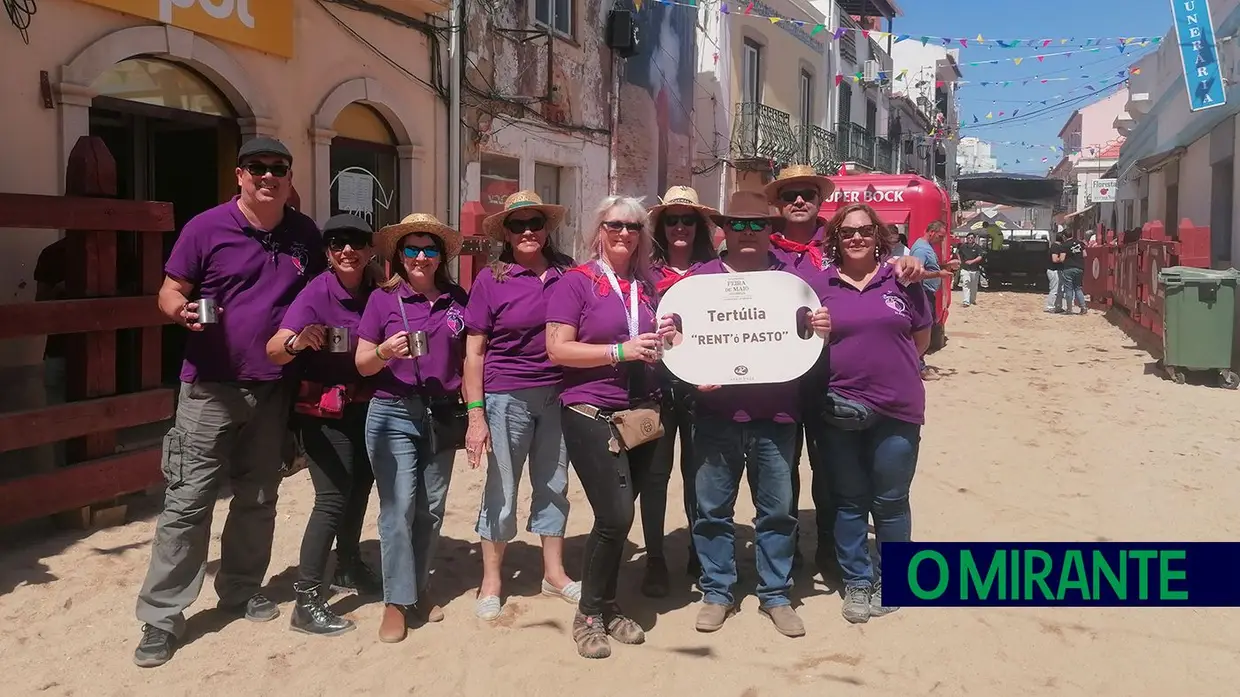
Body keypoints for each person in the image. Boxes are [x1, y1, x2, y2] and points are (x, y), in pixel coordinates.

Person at [133, 137, 325, 668]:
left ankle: (239, 590)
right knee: (187, 501)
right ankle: (161, 617)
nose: (268, 177)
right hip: (209, 386)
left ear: (289, 177)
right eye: (258, 168)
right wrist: (183, 313)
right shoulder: (206, 227)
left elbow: (319, 298)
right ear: (240, 175)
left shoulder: (304, 235)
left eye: (278, 169)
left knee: (258, 497)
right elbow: (169, 290)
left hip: (273, 388)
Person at [684, 190, 831, 639]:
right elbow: (676, 339)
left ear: (771, 231)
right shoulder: (697, 281)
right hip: (715, 415)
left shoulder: (793, 280)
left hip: (777, 417)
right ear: (721, 230)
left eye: (757, 225)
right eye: (738, 225)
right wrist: (685, 362)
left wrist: (821, 326)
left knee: (778, 513)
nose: (748, 233)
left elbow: (814, 329)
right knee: (712, 511)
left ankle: (775, 595)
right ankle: (717, 591)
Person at [545, 195, 662, 659]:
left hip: (639, 415)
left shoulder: (646, 287)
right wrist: (619, 352)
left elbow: (645, 344)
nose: (624, 233)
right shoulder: (577, 282)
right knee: (616, 516)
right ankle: (589, 614)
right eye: (615, 225)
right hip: (589, 411)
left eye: (634, 227)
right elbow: (558, 349)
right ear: (600, 230)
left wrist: (664, 341)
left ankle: (608, 605)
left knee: (614, 520)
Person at [809, 202, 932, 625]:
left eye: (864, 230)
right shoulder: (818, 285)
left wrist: (888, 374)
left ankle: (894, 581)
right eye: (847, 232)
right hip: (840, 409)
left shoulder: (902, 279)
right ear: (836, 240)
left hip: (898, 408)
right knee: (849, 501)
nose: (857, 238)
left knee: (892, 500)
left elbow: (921, 340)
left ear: (878, 237)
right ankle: (858, 581)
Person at [463, 191, 580, 622]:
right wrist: (476, 415)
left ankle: (554, 572)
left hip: (557, 395)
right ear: (506, 233)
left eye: (535, 222)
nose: (528, 230)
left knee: (553, 484)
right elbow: (474, 352)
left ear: (547, 228)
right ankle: (492, 579)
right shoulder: (491, 279)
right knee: (502, 488)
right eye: (518, 224)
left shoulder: (569, 273)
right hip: (506, 395)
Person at [355, 213, 468, 643]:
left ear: (441, 256)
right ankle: (395, 601)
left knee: (430, 508)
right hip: (392, 412)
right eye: (411, 249)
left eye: (430, 249)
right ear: (399, 255)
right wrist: (384, 351)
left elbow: (473, 355)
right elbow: (362, 362)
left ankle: (417, 589)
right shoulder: (383, 300)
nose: (420, 256)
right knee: (397, 509)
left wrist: (475, 413)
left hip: (441, 413)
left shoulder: (458, 299)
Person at [265, 214, 379, 637]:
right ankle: (306, 598)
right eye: (336, 243)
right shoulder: (316, 292)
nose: (347, 250)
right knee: (331, 499)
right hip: (323, 411)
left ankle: (347, 565)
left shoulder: (378, 291)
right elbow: (275, 348)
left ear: (369, 249)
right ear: (327, 253)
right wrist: (297, 341)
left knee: (359, 489)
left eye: (355, 242)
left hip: (368, 408)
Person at [645, 185, 719, 593]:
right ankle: (655, 557)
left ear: (698, 227)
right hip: (654, 390)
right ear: (660, 225)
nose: (679, 227)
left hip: (701, 390)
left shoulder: (714, 272)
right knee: (655, 477)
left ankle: (699, 550)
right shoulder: (645, 271)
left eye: (687, 220)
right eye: (671, 219)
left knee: (699, 475)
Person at [909, 221, 957, 380]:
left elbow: (930, 267)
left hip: (926, 293)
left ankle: (918, 364)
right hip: (921, 294)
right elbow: (917, 273)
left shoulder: (924, 246)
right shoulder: (921, 249)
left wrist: (945, 265)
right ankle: (919, 367)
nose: (941, 240)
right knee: (922, 332)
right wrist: (939, 274)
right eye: (940, 236)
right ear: (931, 232)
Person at [1060, 233, 1087, 315]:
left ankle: (1069, 309)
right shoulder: (1080, 243)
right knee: (1078, 288)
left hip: (1068, 268)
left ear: (1064, 236)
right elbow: (1085, 254)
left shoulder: (1064, 245)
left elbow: (1062, 259)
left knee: (1068, 289)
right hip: (1079, 268)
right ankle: (1083, 307)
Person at [957, 232, 985, 306]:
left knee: (973, 286)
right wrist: (960, 261)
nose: (970, 239)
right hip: (965, 269)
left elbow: (980, 257)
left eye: (971, 238)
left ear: (974, 239)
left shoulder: (977, 247)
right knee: (966, 284)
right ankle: (966, 301)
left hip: (975, 270)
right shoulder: (963, 246)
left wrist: (972, 261)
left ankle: (972, 300)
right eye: (968, 238)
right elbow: (958, 253)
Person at [1046, 233, 1067, 313]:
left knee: (1059, 289)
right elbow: (1054, 259)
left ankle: (1058, 307)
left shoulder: (1058, 246)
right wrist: (1062, 259)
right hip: (1053, 270)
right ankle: (1050, 306)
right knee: (1054, 289)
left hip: (1057, 270)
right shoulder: (1055, 247)